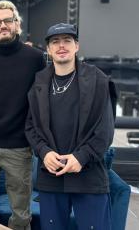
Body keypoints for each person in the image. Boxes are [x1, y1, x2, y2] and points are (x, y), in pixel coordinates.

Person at [25, 23, 115, 230]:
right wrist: (44, 152)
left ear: (77, 46)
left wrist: (81, 157)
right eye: (55, 42)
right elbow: (30, 126)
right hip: (51, 176)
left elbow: (105, 130)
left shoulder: (97, 79)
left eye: (67, 41)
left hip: (88, 175)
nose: (61, 46)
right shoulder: (39, 82)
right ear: (48, 50)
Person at [0, 0, 45, 230]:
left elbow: (43, 101)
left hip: (19, 146)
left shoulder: (35, 58)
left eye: (8, 20)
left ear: (17, 25)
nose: (3, 25)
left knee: (21, 218)